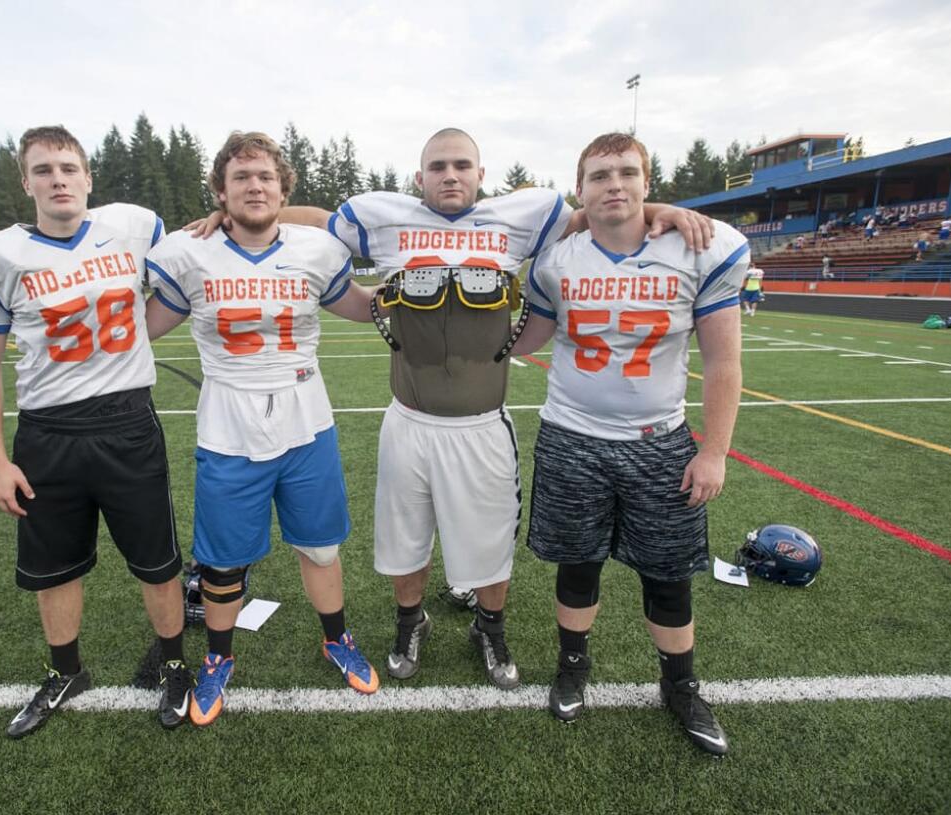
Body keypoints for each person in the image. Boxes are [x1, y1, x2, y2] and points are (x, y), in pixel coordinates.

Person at [197, 128, 712, 689]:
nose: (450, 175)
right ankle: (409, 620)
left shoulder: (522, 215)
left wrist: (660, 208)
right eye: (437, 166)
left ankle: (490, 627)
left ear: (481, 175)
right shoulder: (385, 216)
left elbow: (598, 211)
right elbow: (320, 219)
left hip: (482, 422)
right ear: (418, 178)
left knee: (489, 543)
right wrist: (231, 214)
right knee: (404, 538)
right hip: (409, 419)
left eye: (462, 165)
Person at [0, 125, 191, 736]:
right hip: (48, 430)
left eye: (68, 168)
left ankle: (174, 663)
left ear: (88, 177)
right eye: (44, 169)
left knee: (156, 560)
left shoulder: (132, 229)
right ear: (25, 182)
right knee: (54, 566)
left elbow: (191, 264)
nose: (58, 179)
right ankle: (66, 671)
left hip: (128, 421)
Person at [511, 132, 748, 756]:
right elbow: (525, 341)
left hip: (659, 439)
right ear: (580, 192)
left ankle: (681, 687)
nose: (613, 184)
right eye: (598, 176)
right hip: (572, 436)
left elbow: (724, 364)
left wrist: (714, 450)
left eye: (625, 172)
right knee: (577, 564)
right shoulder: (557, 261)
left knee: (668, 576)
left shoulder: (698, 246)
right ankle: (573, 664)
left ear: (647, 181)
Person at [145, 132, 381, 727]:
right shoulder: (188, 253)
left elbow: (352, 302)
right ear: (220, 191)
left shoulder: (314, 249)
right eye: (241, 177)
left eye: (266, 177)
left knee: (321, 546)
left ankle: (337, 638)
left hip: (307, 416)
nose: (255, 186)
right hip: (228, 422)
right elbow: (146, 326)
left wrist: (401, 298)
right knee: (223, 562)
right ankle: (218, 658)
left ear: (283, 187)